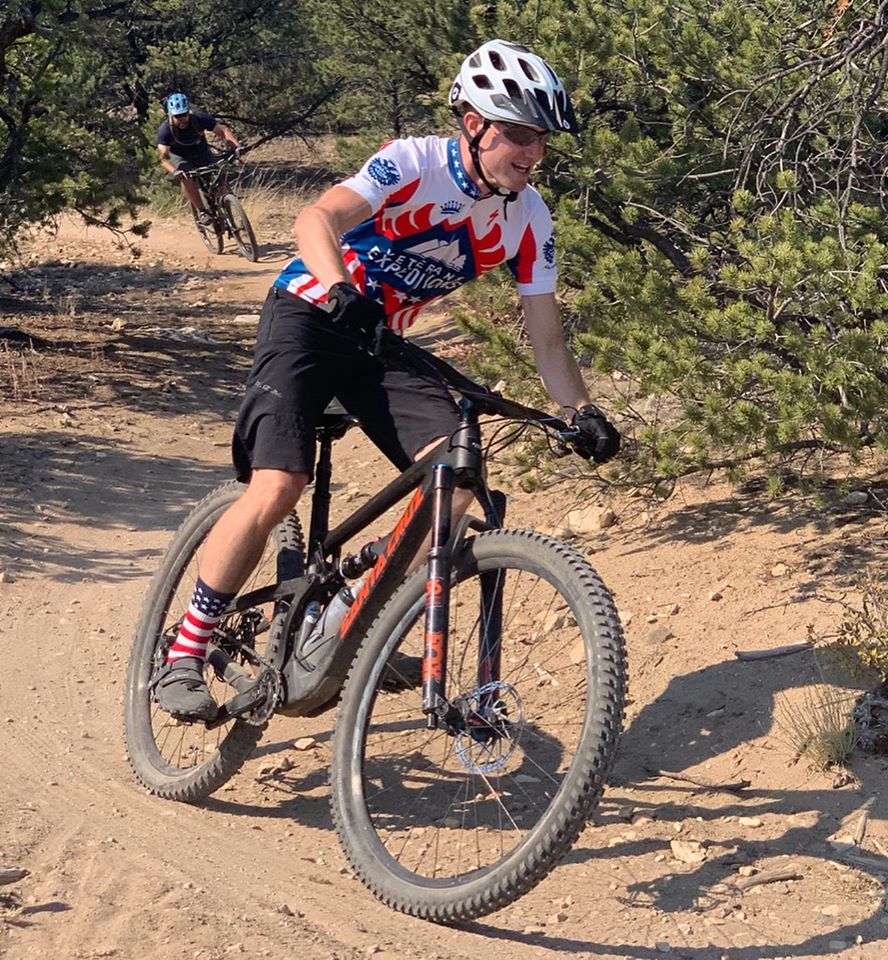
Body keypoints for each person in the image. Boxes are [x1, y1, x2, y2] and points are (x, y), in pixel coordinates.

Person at [153, 39, 621, 720]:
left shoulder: (529, 217)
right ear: (474, 124)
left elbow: (546, 338)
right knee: (280, 484)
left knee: (455, 484)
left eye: (539, 138)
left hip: (378, 344)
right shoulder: (413, 162)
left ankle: (343, 619)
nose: (532, 152)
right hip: (311, 316)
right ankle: (185, 651)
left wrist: (582, 410)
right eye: (518, 134)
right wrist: (342, 289)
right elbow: (316, 218)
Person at [156, 92, 241, 224]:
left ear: (188, 112)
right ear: (170, 115)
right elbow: (163, 158)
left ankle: (225, 208)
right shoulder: (165, 130)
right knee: (185, 177)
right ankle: (202, 211)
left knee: (218, 177)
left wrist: (236, 147)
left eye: (184, 114)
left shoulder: (198, 118)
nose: (182, 118)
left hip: (201, 151)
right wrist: (174, 171)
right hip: (180, 156)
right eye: (177, 116)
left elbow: (222, 131)